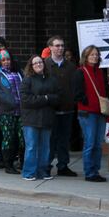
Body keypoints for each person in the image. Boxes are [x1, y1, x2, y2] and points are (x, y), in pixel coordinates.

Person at [72, 45, 109, 182]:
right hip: (87, 113)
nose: (94, 57)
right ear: (85, 57)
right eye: (91, 54)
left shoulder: (100, 71)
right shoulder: (80, 72)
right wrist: (88, 102)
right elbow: (77, 94)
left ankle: (96, 170)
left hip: (101, 112)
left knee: (98, 144)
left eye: (96, 54)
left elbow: (106, 89)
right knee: (90, 143)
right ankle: (89, 172)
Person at [20, 55, 60, 181]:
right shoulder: (27, 80)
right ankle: (29, 172)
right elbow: (26, 100)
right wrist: (46, 98)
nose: (38, 64)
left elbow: (57, 97)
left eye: (40, 62)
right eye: (35, 63)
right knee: (31, 147)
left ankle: (43, 172)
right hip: (31, 119)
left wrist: (43, 99)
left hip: (47, 118)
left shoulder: (51, 79)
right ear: (31, 66)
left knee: (45, 147)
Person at [44, 36, 78, 177]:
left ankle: (63, 165)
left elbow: (75, 86)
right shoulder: (44, 65)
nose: (60, 48)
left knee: (64, 140)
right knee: (50, 140)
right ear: (50, 47)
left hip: (67, 109)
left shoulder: (71, 66)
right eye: (57, 46)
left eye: (62, 46)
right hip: (50, 110)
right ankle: (46, 165)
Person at [0, 50, 24, 174]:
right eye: (3, 60)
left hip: (21, 111)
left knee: (22, 137)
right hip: (5, 112)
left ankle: (23, 162)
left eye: (8, 59)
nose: (6, 62)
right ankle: (8, 165)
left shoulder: (17, 70)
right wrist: (12, 103)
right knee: (9, 137)